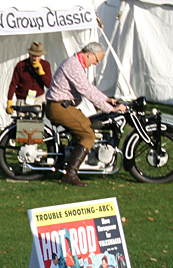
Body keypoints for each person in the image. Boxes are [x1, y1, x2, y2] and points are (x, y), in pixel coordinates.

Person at [45, 42, 127, 187]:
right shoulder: (74, 66)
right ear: (90, 54)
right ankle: (70, 174)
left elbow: (89, 87)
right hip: (60, 107)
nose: (95, 63)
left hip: (64, 105)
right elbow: (86, 91)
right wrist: (110, 109)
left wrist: (106, 99)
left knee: (88, 125)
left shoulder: (76, 64)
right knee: (88, 135)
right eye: (96, 60)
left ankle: (76, 159)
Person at [7, 41, 52, 111]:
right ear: (29, 54)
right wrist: (9, 100)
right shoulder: (21, 65)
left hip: (38, 99)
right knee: (21, 121)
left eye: (38, 56)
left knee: (37, 121)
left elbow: (49, 85)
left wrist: (42, 73)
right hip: (22, 99)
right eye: (34, 55)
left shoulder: (45, 65)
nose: (36, 58)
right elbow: (13, 83)